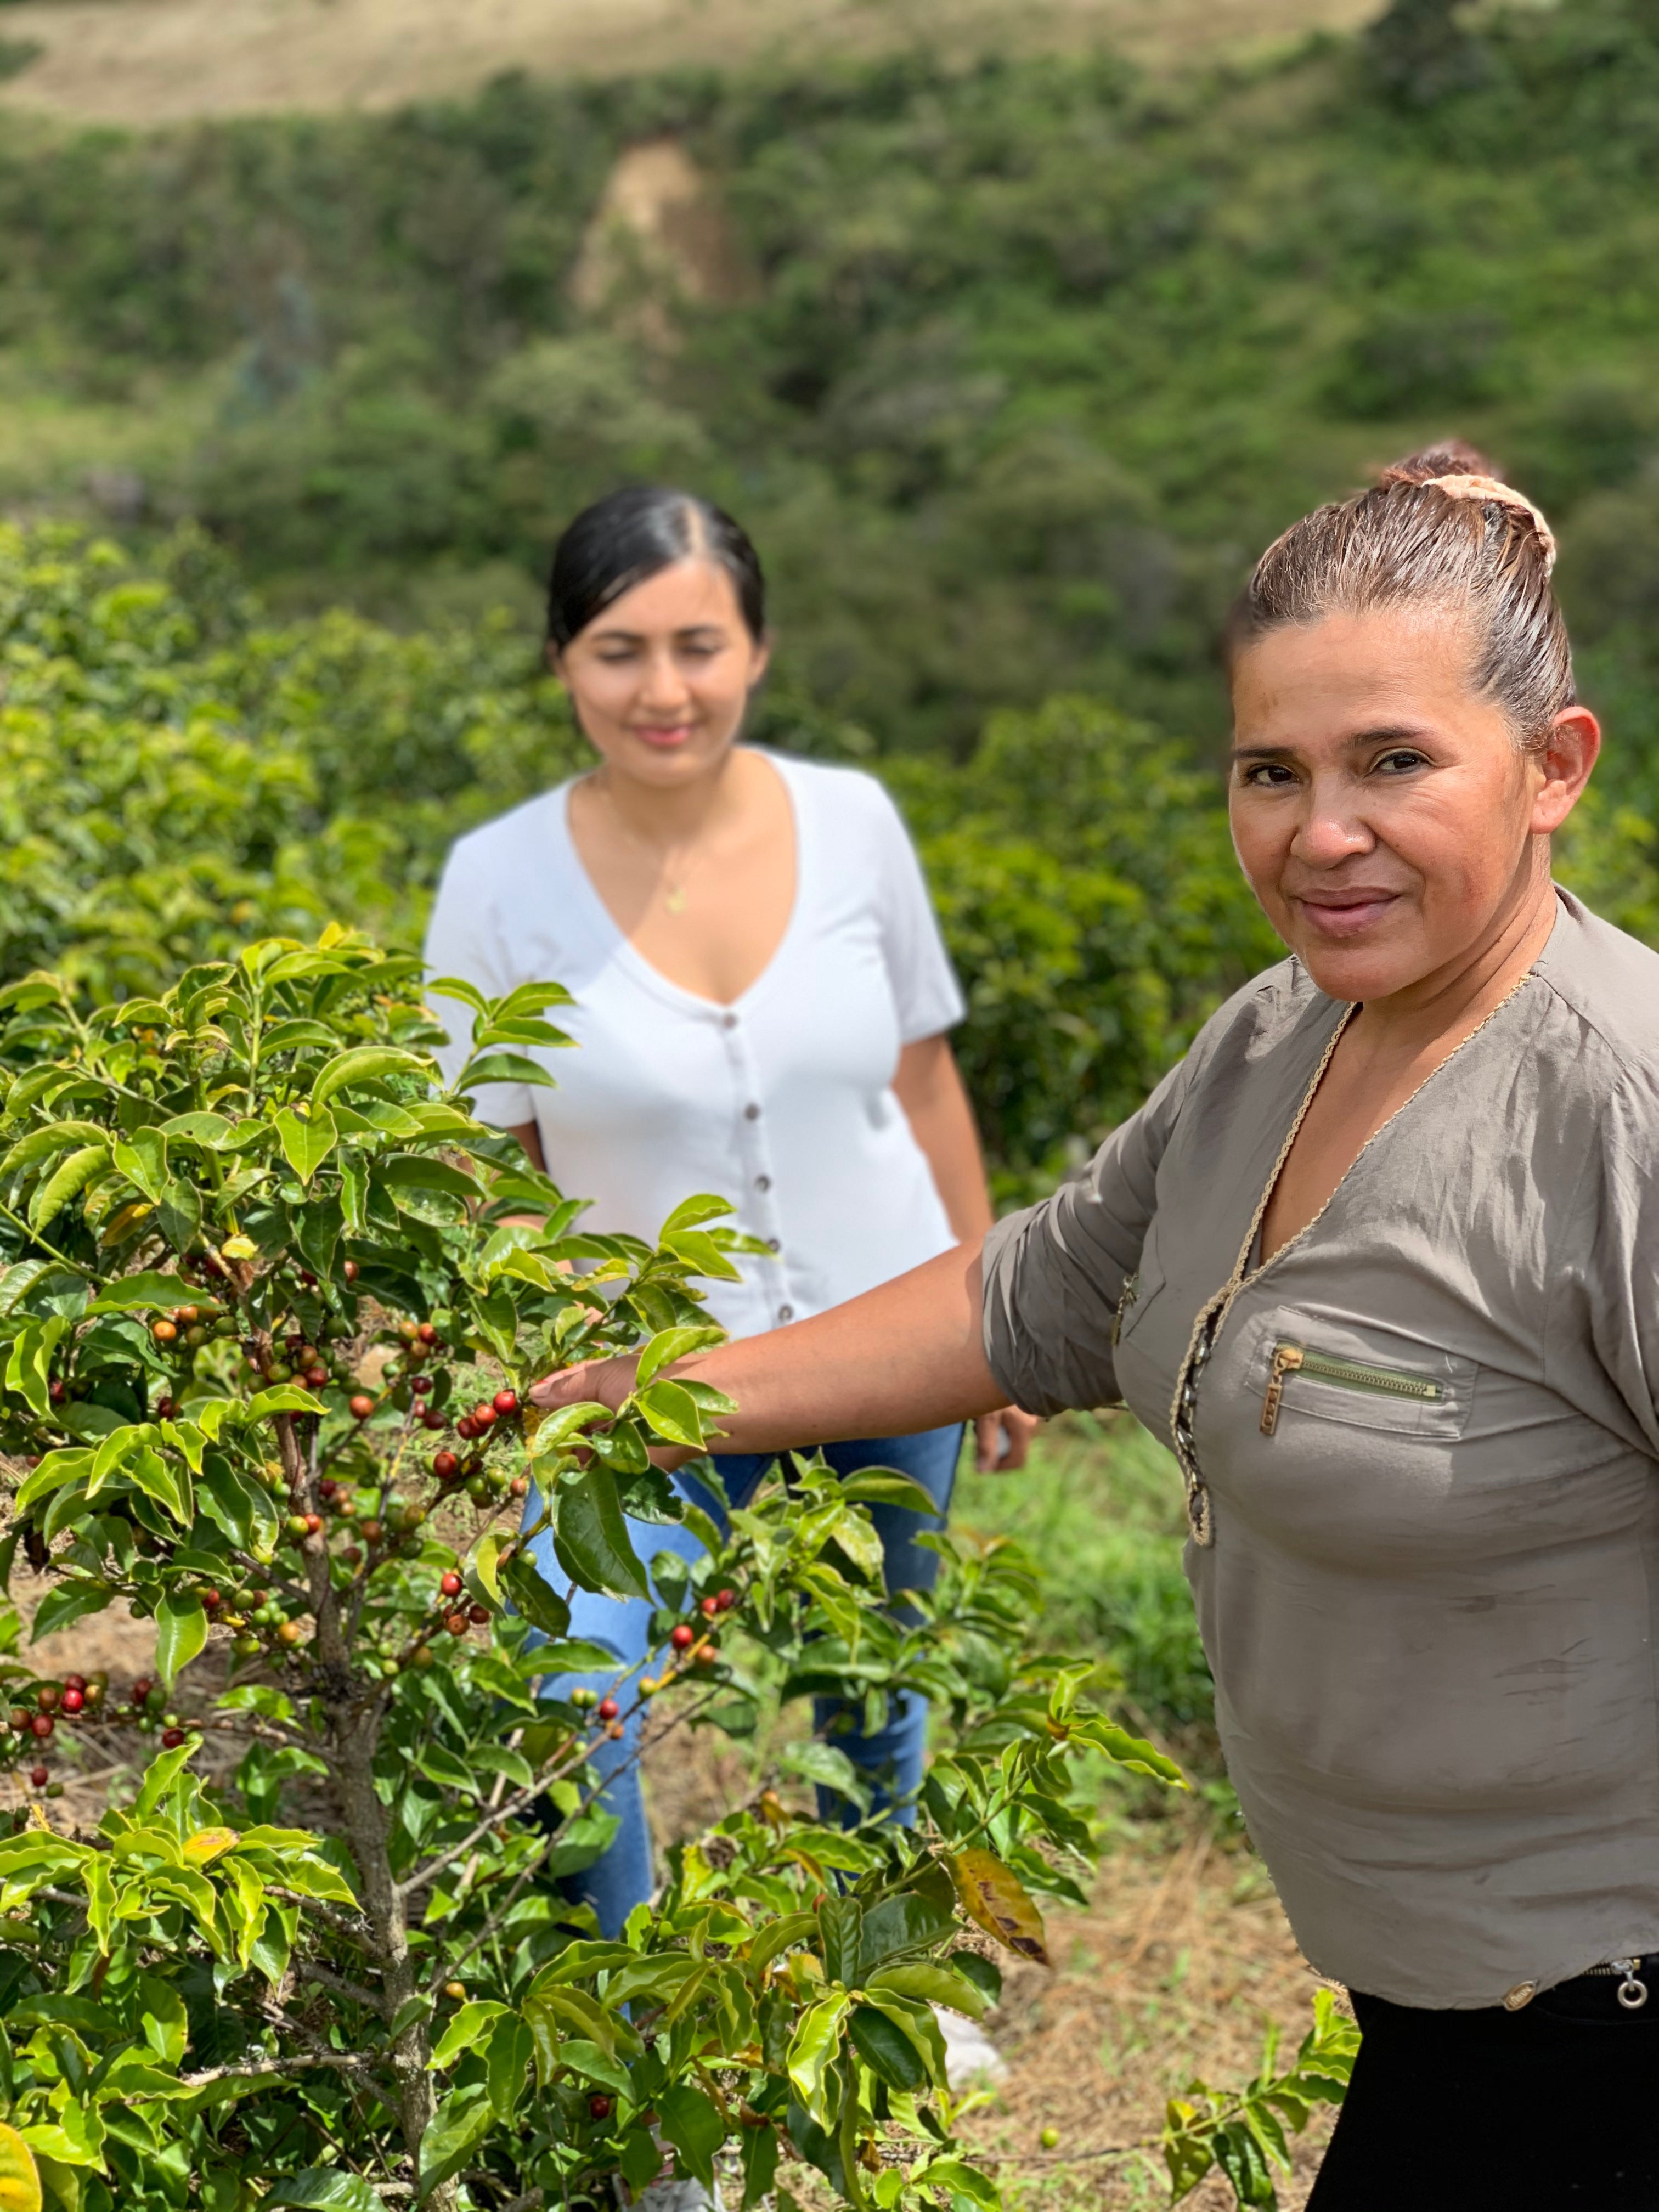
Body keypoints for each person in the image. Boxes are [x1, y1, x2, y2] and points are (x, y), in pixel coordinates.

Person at [532, 444, 1659, 2209]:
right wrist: (656, 1394)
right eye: (1270, 772)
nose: (1321, 834)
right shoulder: (1280, 1037)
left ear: (1554, 769)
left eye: (1395, 764)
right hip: (1435, 1994)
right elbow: (1044, 1285)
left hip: (1599, 2014)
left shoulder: (1620, 1111)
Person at [424, 484, 1036, 1942]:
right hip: (655, 1381)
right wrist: (565, 1353)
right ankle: (628, 2057)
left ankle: (872, 1975)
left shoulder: (854, 823)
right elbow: (488, 1159)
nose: (664, 689)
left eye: (699, 645)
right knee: (569, 1689)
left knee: (877, 1688)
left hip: (895, 1339)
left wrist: (1000, 1317)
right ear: (563, 661)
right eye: (619, 650)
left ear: (757, 651)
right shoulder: (495, 879)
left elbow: (926, 1080)